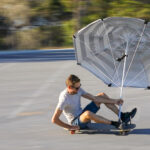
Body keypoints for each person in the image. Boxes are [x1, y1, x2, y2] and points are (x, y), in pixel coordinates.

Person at [51, 74, 136, 131]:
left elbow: (95, 99)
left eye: (79, 86)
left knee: (101, 95)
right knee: (88, 113)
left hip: (82, 114)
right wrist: (70, 127)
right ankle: (115, 124)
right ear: (69, 87)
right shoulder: (64, 98)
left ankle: (122, 116)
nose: (79, 89)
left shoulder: (79, 90)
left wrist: (115, 101)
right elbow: (54, 120)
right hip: (76, 122)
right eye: (77, 88)